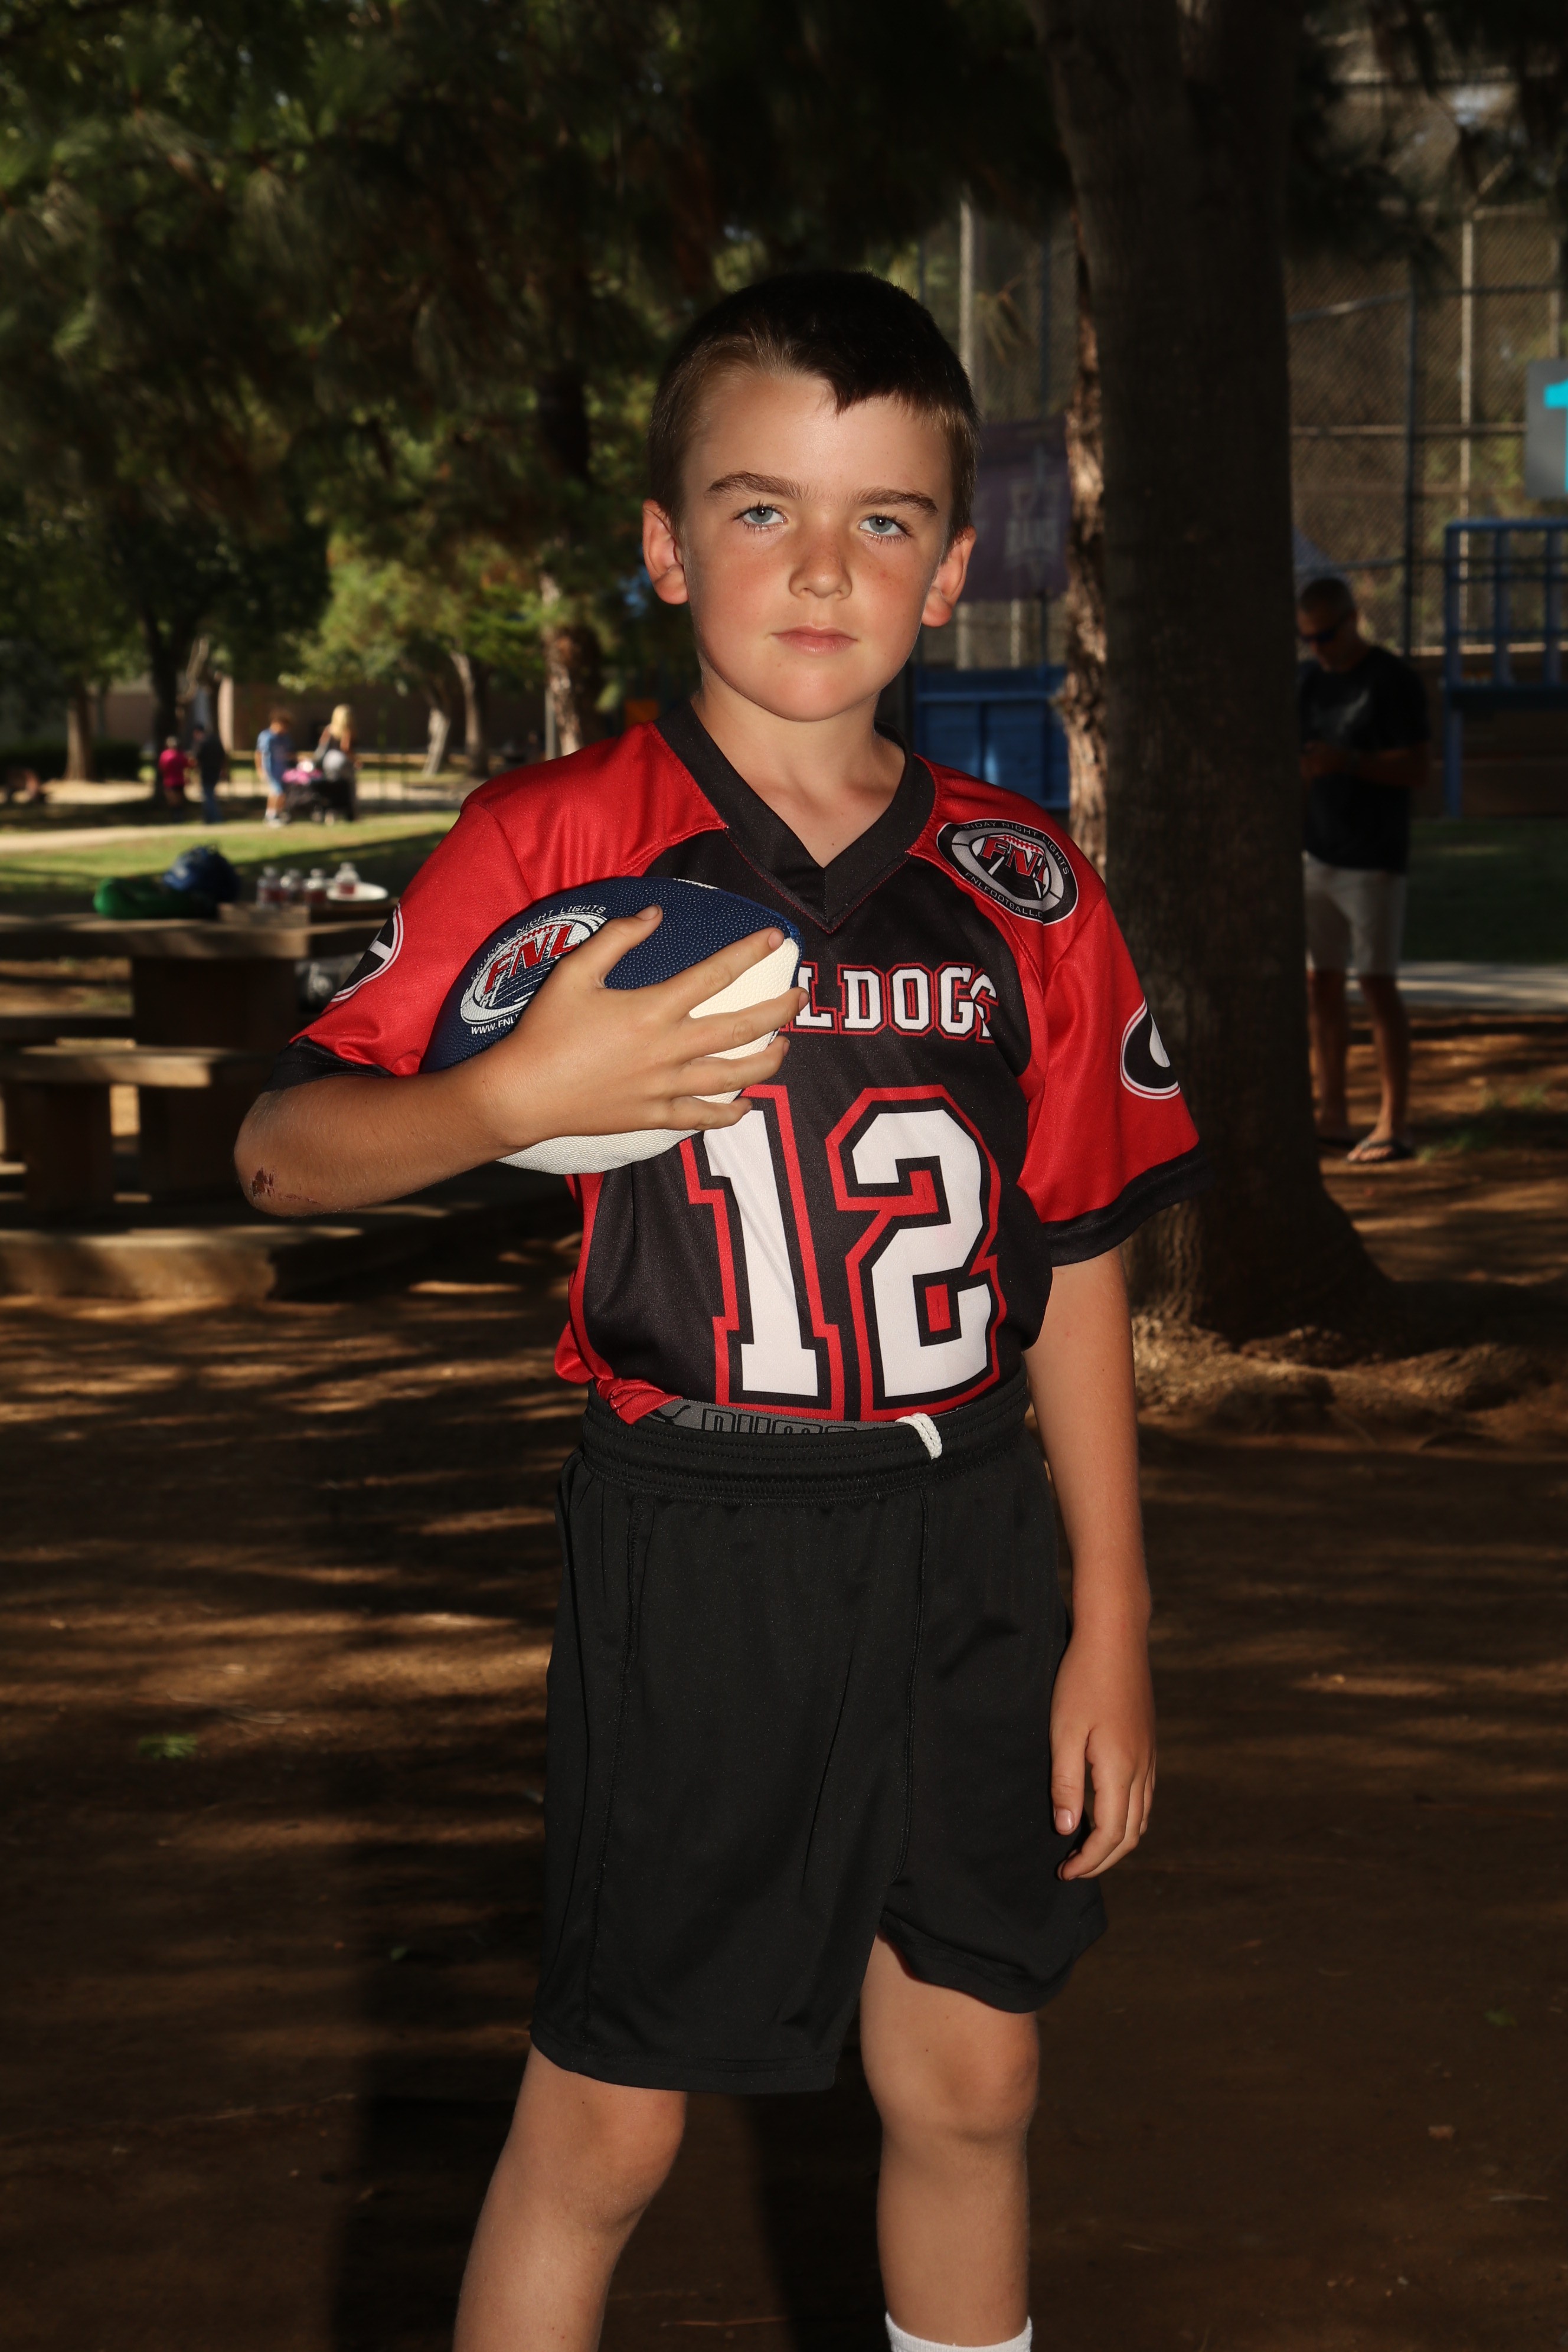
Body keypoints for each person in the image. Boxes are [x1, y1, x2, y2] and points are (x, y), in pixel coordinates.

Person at [234, 273, 1208, 2352]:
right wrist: (508, 1100)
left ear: (950, 566)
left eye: (881, 518)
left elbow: (1071, 1253)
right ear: (667, 544)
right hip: (701, 1530)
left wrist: (1112, 1611)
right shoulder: (556, 840)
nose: (821, 566)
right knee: (609, 2123)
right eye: (763, 509)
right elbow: (285, 1153)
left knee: (977, 2073)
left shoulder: (1025, 882)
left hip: (967, 1533)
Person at [1297, 576, 1430, 1163]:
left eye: (1325, 635)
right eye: (1307, 638)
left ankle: (1394, 1122)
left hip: (1373, 858)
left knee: (1376, 985)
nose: (1317, 648)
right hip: (1316, 853)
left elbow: (1417, 769)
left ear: (1352, 620)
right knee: (1320, 984)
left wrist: (1347, 762)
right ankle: (1332, 1114)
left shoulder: (1392, 680)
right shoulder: (1309, 683)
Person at [256, 707, 293, 824]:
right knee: (277, 792)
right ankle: (271, 816)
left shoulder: (284, 738)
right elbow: (259, 754)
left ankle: (277, 813)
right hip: (271, 770)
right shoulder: (267, 737)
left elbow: (288, 754)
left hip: (282, 771)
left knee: (280, 793)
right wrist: (260, 770)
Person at [190, 722, 228, 825]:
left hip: (206, 772)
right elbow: (223, 756)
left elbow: (196, 759)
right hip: (216, 771)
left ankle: (216, 818)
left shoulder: (200, 742)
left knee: (208, 795)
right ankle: (208, 818)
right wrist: (223, 770)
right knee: (210, 794)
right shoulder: (215, 741)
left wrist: (193, 772)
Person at [156, 735, 191, 809]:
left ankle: (176, 814)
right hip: (180, 781)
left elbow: (162, 768)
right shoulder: (181, 755)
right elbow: (187, 766)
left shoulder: (165, 755)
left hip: (169, 781)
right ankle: (179, 814)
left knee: (172, 802)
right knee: (179, 801)